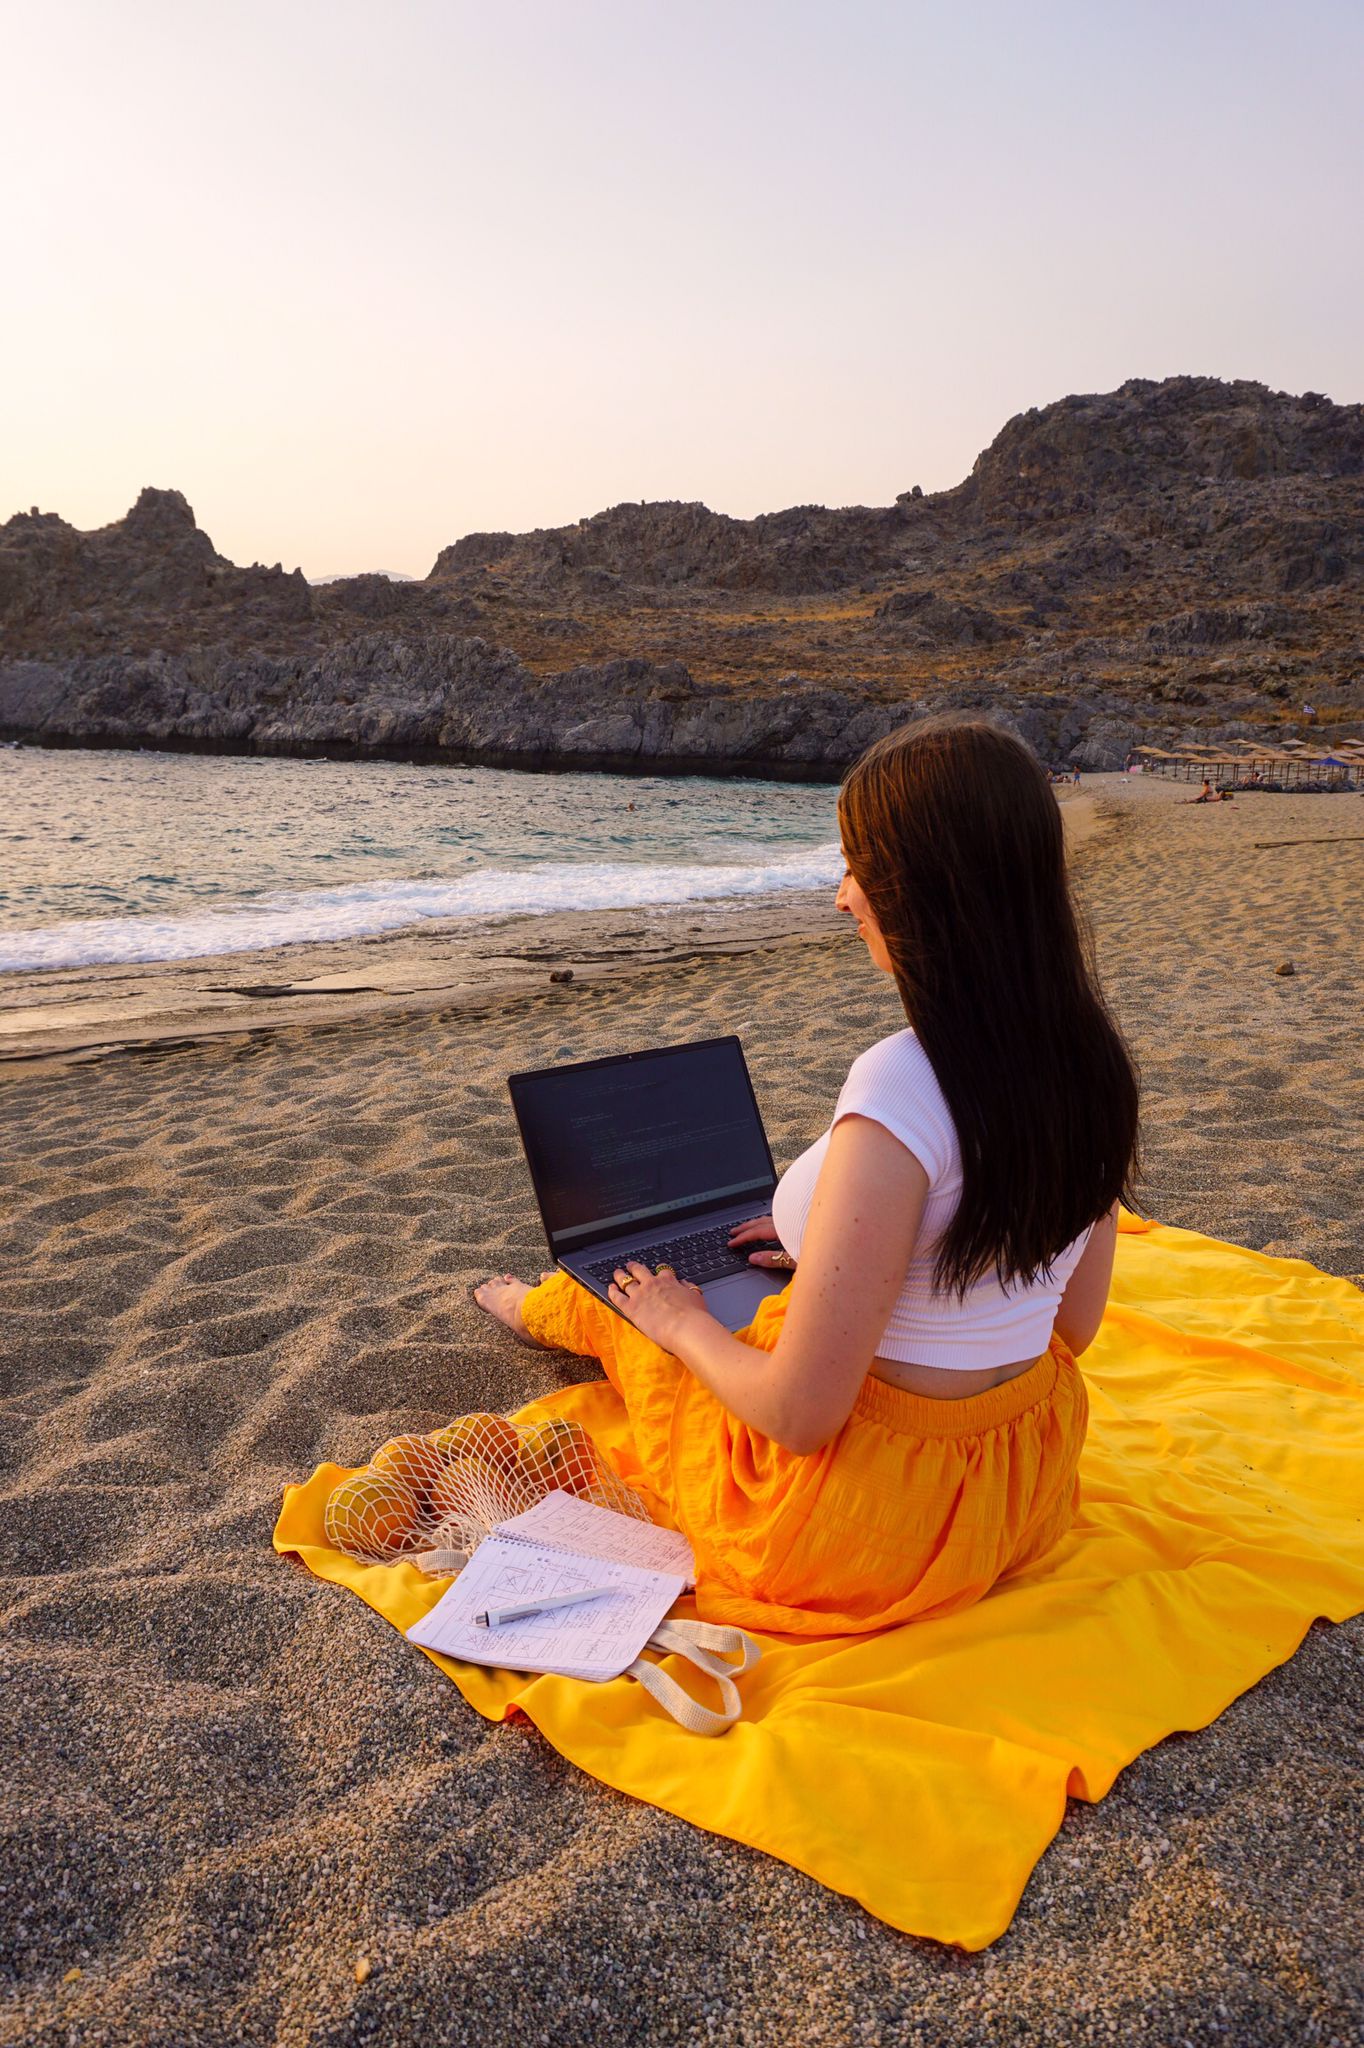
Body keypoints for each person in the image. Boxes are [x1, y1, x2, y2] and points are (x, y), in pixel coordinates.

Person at [475, 719, 1140, 1635]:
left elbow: (799, 1416)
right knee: (706, 1299)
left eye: (859, 869)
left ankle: (520, 1304)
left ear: (922, 896)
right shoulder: (1093, 1063)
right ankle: (562, 1303)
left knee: (638, 1309)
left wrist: (687, 1327)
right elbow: (1074, 1324)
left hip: (860, 1527)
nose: (842, 898)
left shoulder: (903, 1084)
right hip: (1011, 1492)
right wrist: (857, 1271)